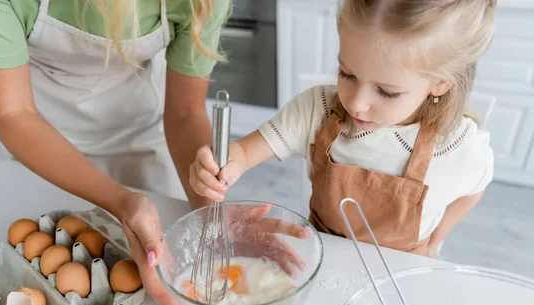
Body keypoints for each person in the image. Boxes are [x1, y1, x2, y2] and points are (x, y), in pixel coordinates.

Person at [0, 0, 232, 305]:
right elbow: (14, 114)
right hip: (40, 147)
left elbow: (185, 112)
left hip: (140, 138)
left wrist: (213, 217)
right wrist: (121, 201)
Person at [190, 0, 496, 258]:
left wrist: (434, 241)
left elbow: (475, 187)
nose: (357, 103)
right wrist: (223, 163)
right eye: (346, 73)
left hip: (405, 271)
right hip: (323, 257)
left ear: (440, 84)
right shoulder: (317, 111)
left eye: (386, 92)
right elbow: (244, 152)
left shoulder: (458, 148)